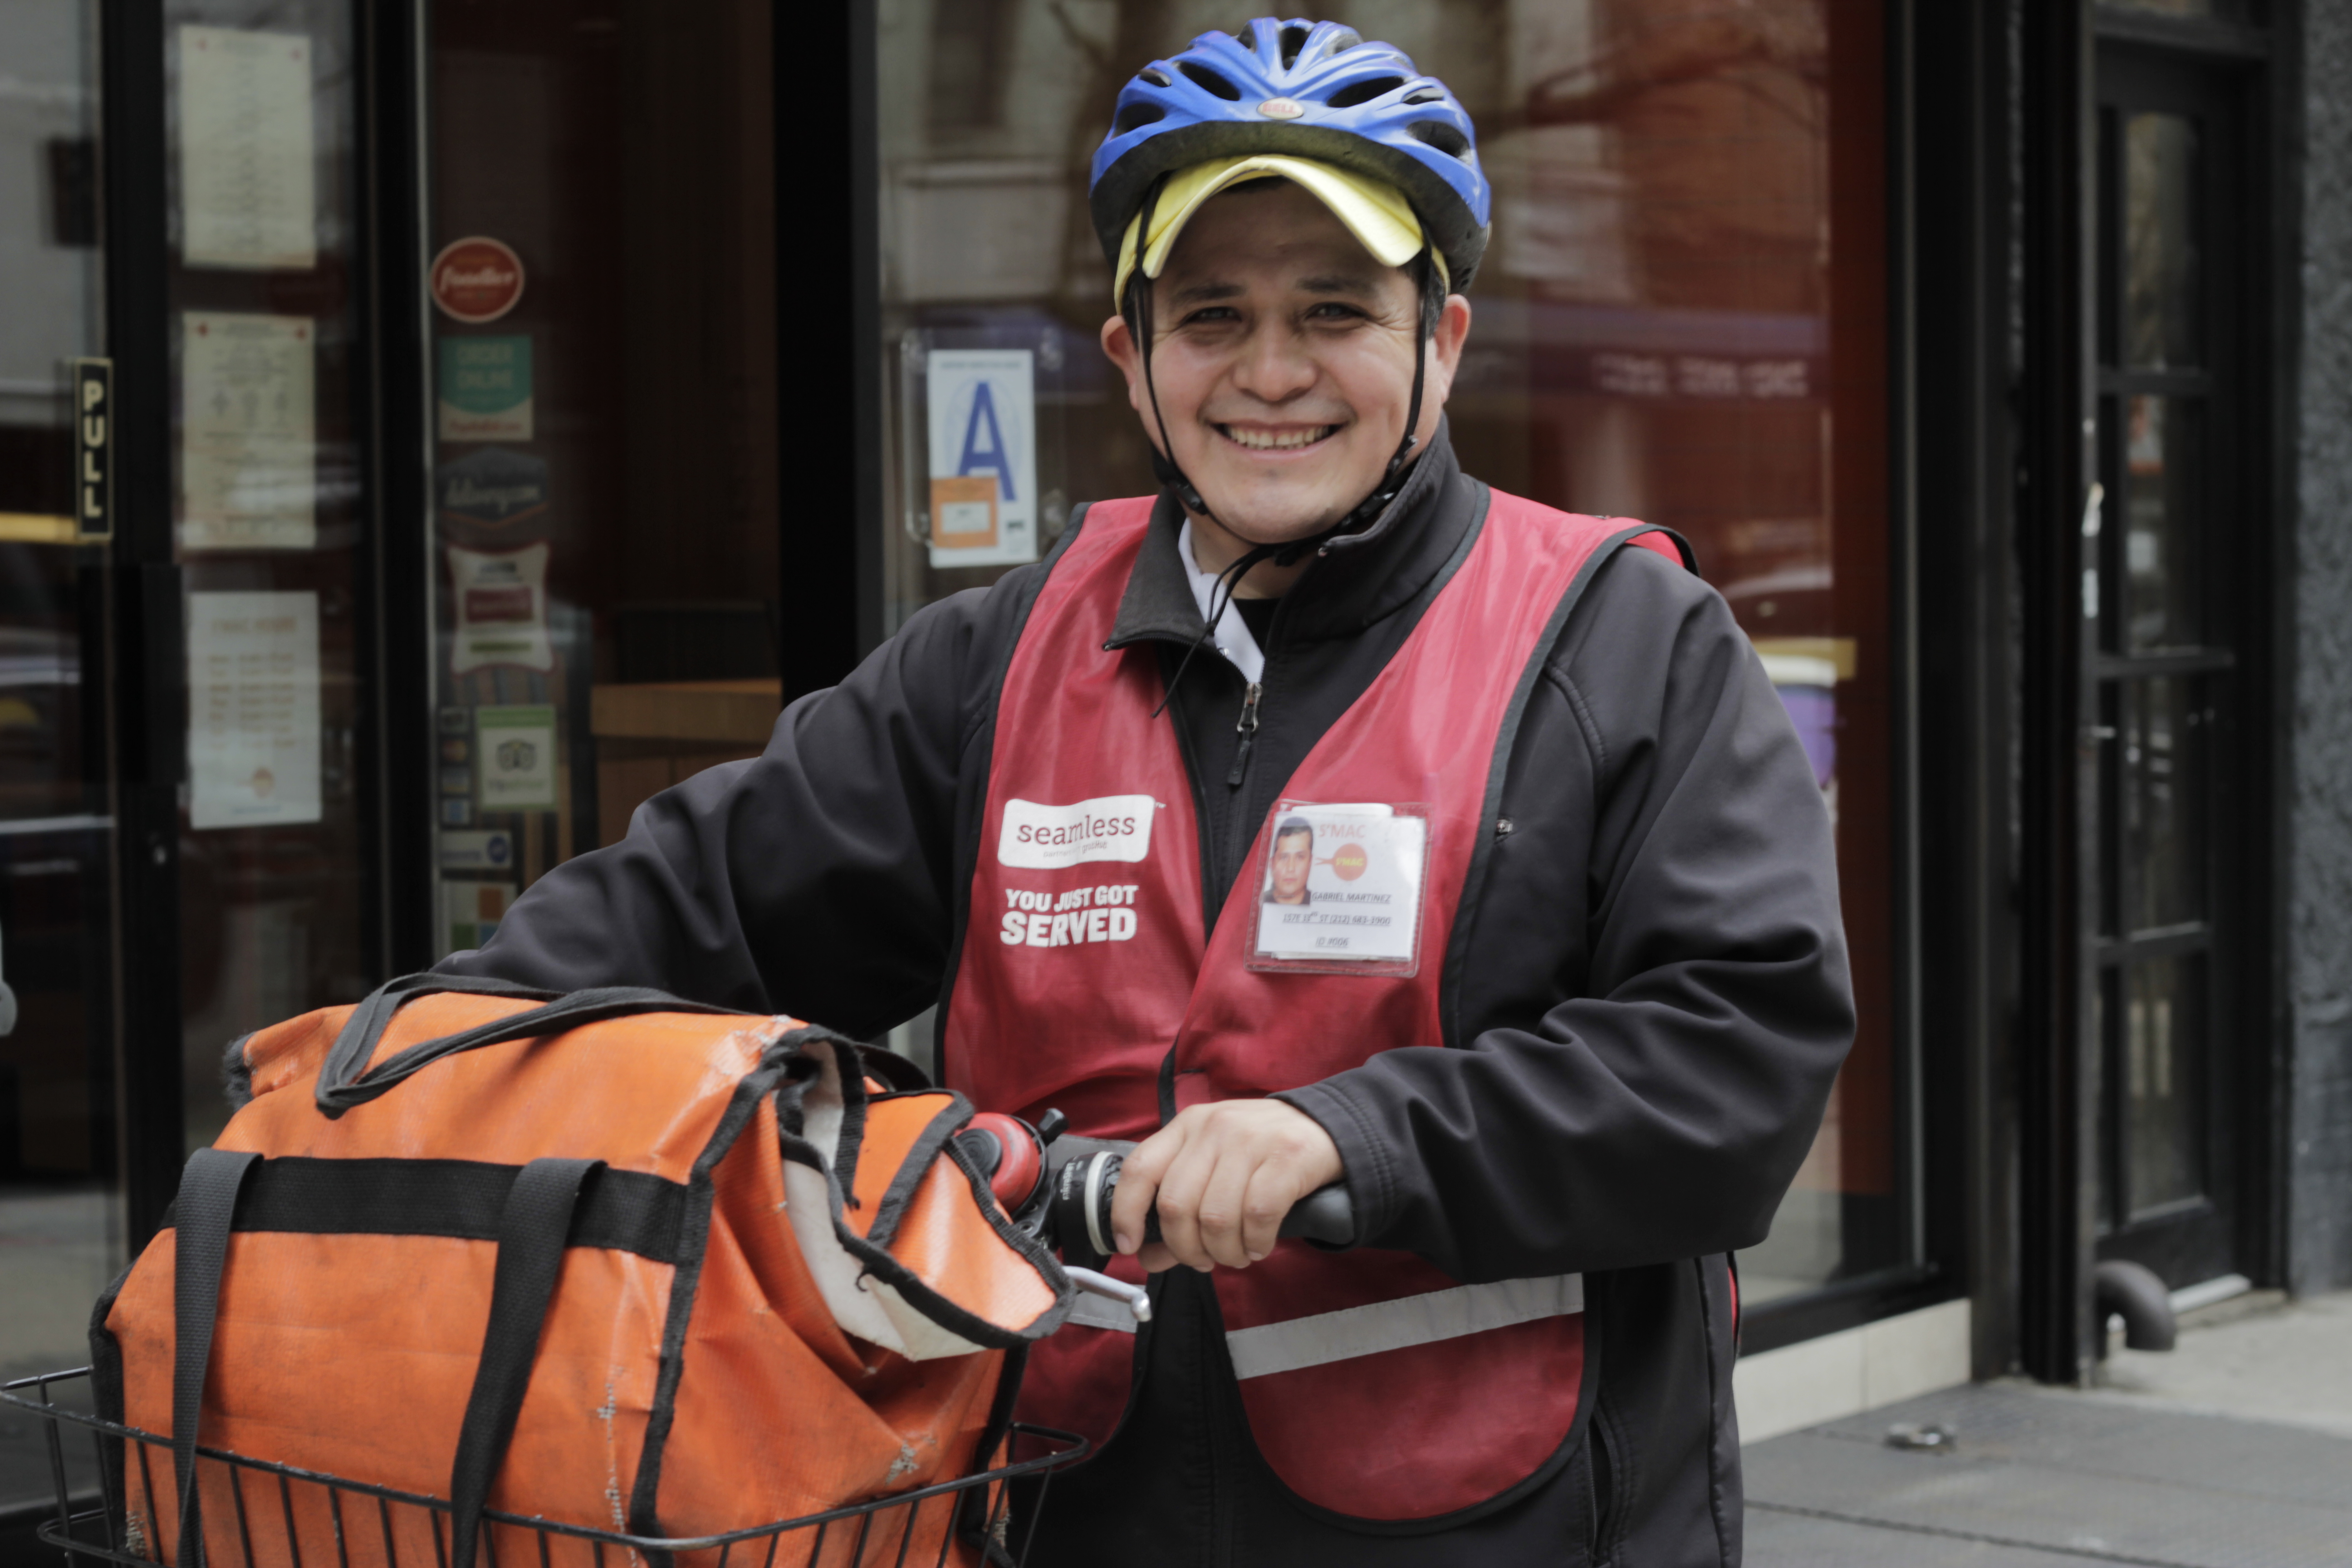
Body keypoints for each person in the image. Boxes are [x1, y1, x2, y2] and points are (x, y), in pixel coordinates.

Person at [442, 18, 1853, 1565]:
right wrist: (417, 1052)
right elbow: (684, 914)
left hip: (1507, 1522)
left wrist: (1356, 1138)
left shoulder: (1618, 639)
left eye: (1333, 310)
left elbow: (1735, 1060)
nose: (1268, 371)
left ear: (1441, 341)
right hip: (1070, 1506)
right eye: (1211, 315)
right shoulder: (1000, 656)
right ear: (1131, 357)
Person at [1264, 815, 1313, 905]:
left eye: (1300, 857)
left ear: (1310, 862)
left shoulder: (1324, 906)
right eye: (1284, 857)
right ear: (1272, 863)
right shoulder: (1257, 904)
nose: (1291, 868)